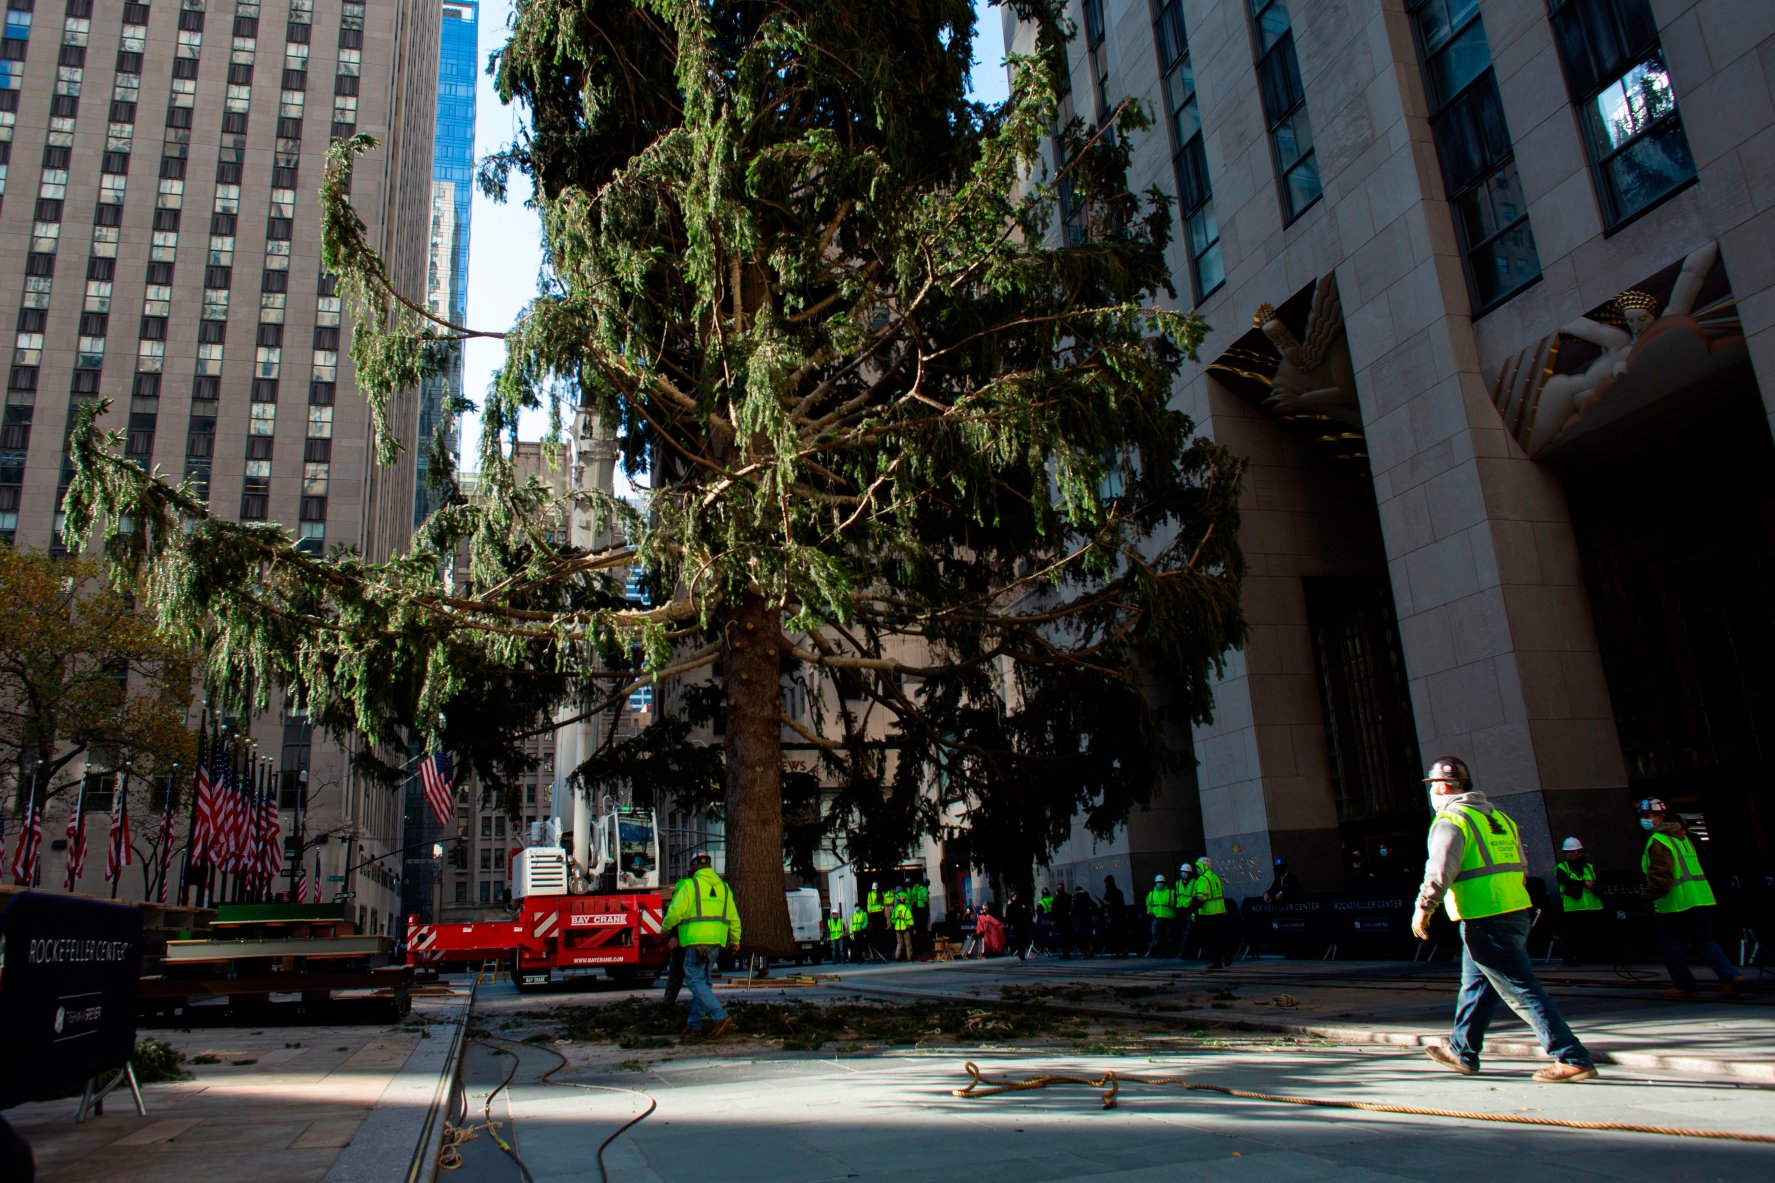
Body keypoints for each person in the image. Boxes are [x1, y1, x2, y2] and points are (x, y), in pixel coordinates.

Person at [1412, 757, 1596, 1083]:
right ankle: (1462, 1051)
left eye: (1432, 787)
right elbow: (1522, 867)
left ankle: (1570, 1056)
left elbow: (1439, 871)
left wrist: (1423, 908)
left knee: (1520, 989)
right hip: (1513, 911)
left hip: (1486, 917)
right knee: (1477, 985)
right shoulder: (1498, 818)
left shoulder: (1451, 820)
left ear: (1440, 786)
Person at [1639, 798, 1743, 1001]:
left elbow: (1662, 875)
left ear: (1660, 816)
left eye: (1648, 816)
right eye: (1643, 816)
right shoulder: (1683, 838)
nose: (1645, 820)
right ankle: (1729, 977)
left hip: (1674, 903)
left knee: (1672, 946)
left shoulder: (1659, 841)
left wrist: (1648, 896)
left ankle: (1684, 986)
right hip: (1699, 898)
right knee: (1705, 940)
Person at [661, 849, 741, 1039]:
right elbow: (734, 917)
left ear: (693, 867)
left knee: (695, 981)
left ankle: (720, 1016)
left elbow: (675, 912)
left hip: (696, 942)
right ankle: (694, 1024)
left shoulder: (690, 885)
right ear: (710, 866)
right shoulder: (724, 888)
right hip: (716, 943)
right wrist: (735, 940)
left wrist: (665, 929)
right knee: (703, 983)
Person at [1554, 837, 1603, 967]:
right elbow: (1563, 881)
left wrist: (1594, 885)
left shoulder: (1589, 867)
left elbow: (1599, 880)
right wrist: (1582, 883)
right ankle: (1572, 957)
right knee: (1572, 935)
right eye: (1573, 852)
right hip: (1572, 907)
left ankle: (1591, 955)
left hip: (1592, 905)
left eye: (1578, 852)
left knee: (1591, 933)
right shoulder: (1562, 867)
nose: (1576, 854)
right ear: (1566, 853)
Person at [1189, 856, 1232, 969]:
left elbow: (1201, 898)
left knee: (1211, 940)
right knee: (1220, 937)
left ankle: (1217, 963)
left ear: (1204, 867)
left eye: (1198, 867)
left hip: (1208, 914)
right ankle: (1227, 954)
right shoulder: (1216, 877)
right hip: (1220, 912)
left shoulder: (1203, 879)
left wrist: (1193, 906)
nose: (1197, 869)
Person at [1144, 873, 1176, 957]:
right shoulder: (1151, 894)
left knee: (1168, 936)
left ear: (1164, 883)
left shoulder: (1170, 892)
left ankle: (1168, 952)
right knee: (1156, 936)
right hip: (1156, 917)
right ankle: (1159, 952)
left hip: (1168, 917)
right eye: (1158, 882)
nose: (1159, 883)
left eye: (1161, 882)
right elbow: (1148, 904)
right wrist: (1149, 912)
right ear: (1155, 883)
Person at [1102, 875, 1127, 957]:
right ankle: (1120, 951)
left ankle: (1117, 952)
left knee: (1116, 935)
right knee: (1118, 935)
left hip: (1115, 916)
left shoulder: (1111, 892)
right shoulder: (1117, 892)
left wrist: (1107, 904)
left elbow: (1115, 904)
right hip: (1117, 916)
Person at [1004, 890, 1031, 961]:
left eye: (1016, 896)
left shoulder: (1022, 904)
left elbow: (1028, 913)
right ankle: (1020, 952)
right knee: (1018, 939)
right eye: (1014, 896)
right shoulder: (1010, 905)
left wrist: (1028, 922)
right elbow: (1008, 916)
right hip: (1015, 925)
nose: (1015, 897)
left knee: (1023, 939)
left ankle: (1022, 952)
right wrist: (1010, 925)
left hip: (1023, 924)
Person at [891, 891, 916, 960]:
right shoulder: (906, 910)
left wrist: (896, 924)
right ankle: (909, 957)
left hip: (897, 928)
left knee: (899, 943)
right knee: (908, 943)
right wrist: (912, 927)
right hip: (905, 928)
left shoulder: (895, 910)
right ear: (904, 901)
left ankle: (897, 956)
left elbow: (892, 920)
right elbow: (910, 921)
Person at [1051, 883, 1074, 959]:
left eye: (1060, 888)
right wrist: (1053, 919)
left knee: (1065, 937)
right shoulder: (1058, 898)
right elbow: (1053, 910)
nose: (1059, 889)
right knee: (1063, 937)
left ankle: (1066, 953)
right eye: (1058, 888)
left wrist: (1053, 919)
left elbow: (1054, 910)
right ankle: (1066, 952)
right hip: (1061, 920)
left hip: (1065, 920)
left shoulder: (1065, 897)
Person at [1033, 887, 1056, 955]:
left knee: (1044, 936)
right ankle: (1053, 949)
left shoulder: (1041, 902)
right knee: (1051, 935)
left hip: (1043, 921)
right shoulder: (1052, 899)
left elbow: (1038, 912)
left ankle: (1046, 949)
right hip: (1052, 919)